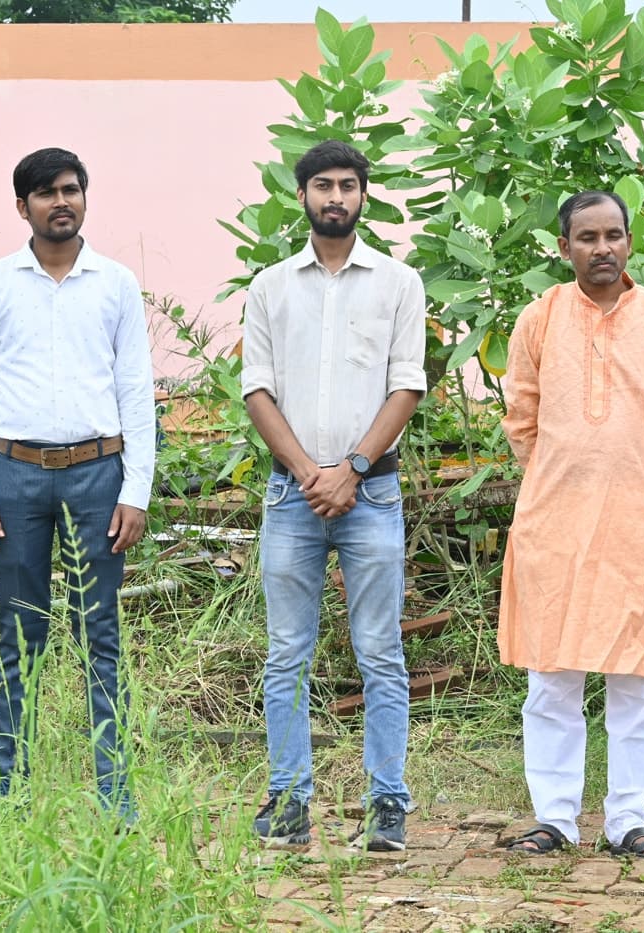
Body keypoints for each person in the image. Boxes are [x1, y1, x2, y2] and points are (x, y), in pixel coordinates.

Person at [497, 191, 644, 860]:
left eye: (614, 234)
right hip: (552, 521)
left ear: (631, 242)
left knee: (638, 676)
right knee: (552, 675)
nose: (603, 247)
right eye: (587, 237)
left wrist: (632, 473)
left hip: (640, 521)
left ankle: (628, 820)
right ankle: (554, 818)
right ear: (565, 248)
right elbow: (521, 415)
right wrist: (570, 476)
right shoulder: (539, 318)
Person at [0, 147, 155, 815]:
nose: (60, 201)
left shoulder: (116, 283)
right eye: (45, 193)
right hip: (16, 476)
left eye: (70, 189)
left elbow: (135, 388)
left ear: (84, 198)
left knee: (101, 632)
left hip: (99, 473)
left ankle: (114, 787)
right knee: (20, 632)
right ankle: (11, 785)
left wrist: (136, 491)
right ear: (22, 207)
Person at [241, 139, 426, 851]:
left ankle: (386, 806)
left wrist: (350, 467)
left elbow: (406, 383)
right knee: (287, 652)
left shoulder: (398, 283)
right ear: (303, 197)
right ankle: (289, 801)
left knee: (379, 651)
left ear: (364, 196)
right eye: (324, 186)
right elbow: (257, 387)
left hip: (372, 495)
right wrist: (309, 472)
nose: (336, 197)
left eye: (349, 185)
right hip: (292, 497)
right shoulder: (271, 286)